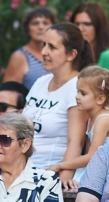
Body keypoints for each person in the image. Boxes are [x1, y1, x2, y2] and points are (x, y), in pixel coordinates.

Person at [23, 22, 91, 188]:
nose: (44, 52)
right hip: (20, 170)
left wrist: (64, 179)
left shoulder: (78, 87)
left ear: (71, 54)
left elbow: (75, 141)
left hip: (48, 174)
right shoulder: (40, 82)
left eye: (52, 47)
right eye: (43, 45)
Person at [51, 66, 109, 176]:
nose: (77, 97)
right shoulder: (93, 118)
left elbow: (91, 157)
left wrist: (60, 165)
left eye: (83, 93)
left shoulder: (103, 120)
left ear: (100, 99)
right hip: (100, 167)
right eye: (77, 91)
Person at [3, 7, 57, 92]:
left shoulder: (61, 54)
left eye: (45, 23)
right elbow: (8, 93)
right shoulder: (20, 56)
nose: (40, 27)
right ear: (27, 29)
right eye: (35, 23)